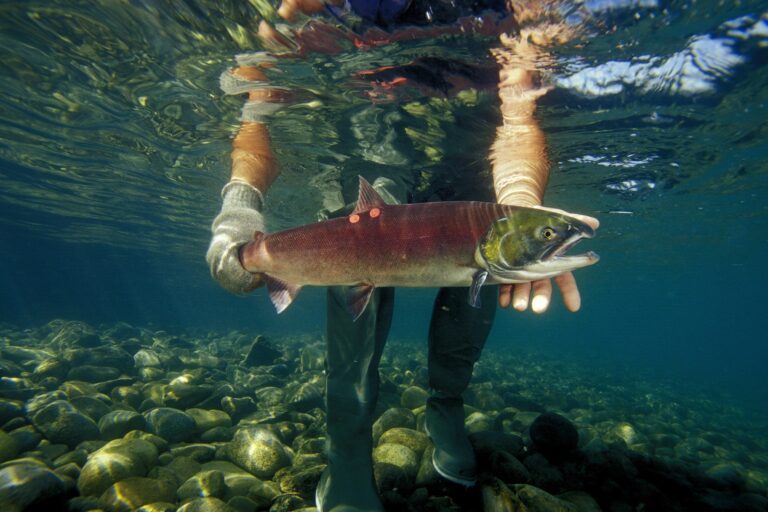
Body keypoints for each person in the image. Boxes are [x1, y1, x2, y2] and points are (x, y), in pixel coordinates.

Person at [207, 1, 599, 510]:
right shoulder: (303, 8)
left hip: (472, 148)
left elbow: (520, 117)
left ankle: (446, 407)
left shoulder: (524, 10)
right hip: (368, 140)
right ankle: (346, 446)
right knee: (367, 228)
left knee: (482, 279)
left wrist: (519, 208)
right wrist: (238, 206)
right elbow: (254, 107)